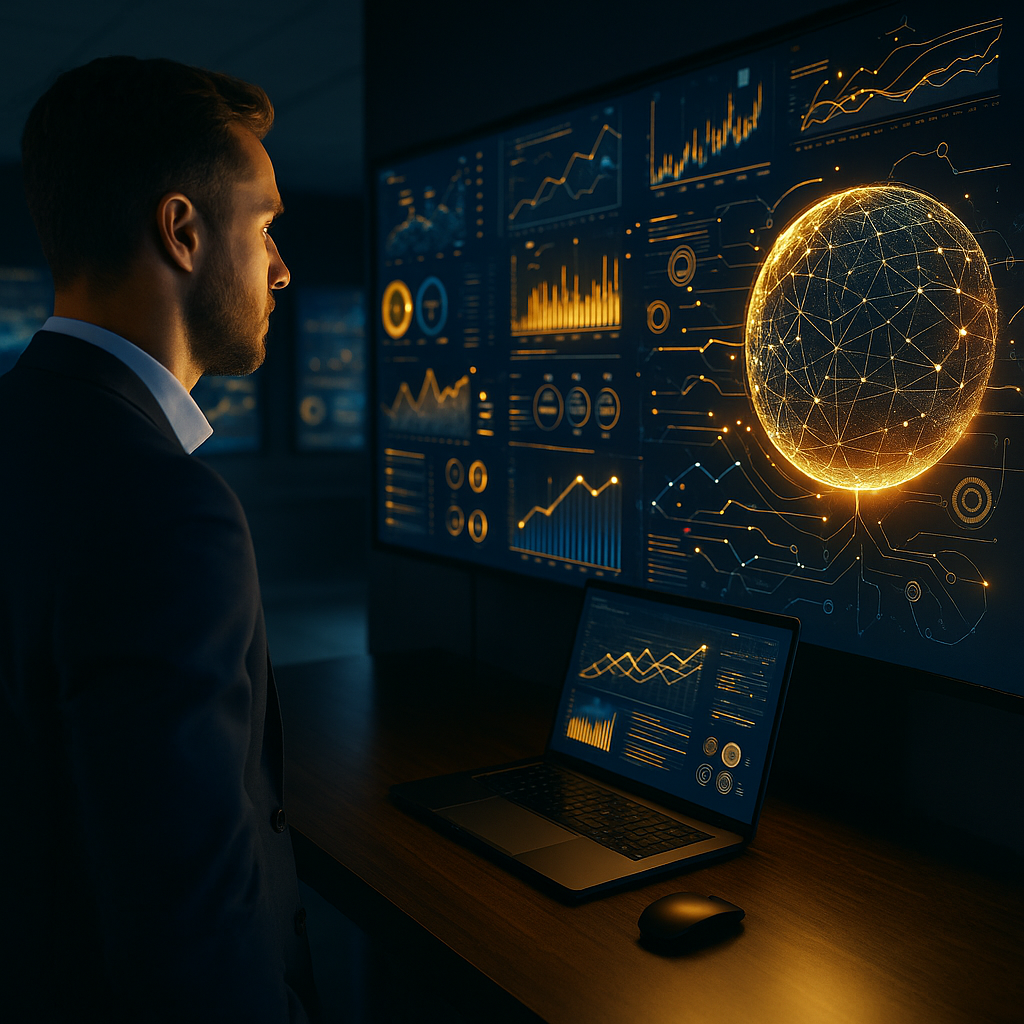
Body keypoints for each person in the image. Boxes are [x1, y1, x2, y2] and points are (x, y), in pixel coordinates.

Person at [0, 56, 320, 1022]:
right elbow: (190, 935)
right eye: (264, 226)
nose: (281, 266)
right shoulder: (165, 510)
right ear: (183, 233)